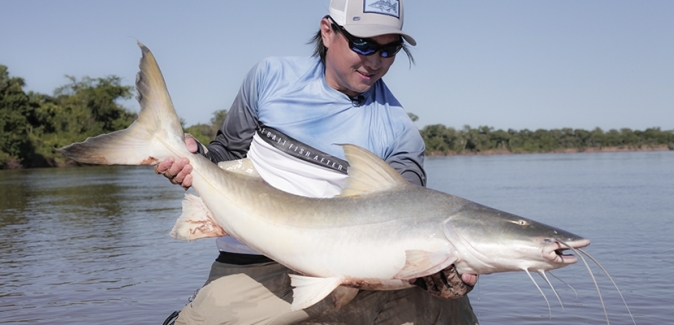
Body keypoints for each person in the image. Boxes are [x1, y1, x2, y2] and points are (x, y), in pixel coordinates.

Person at [158, 1, 479, 324]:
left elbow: (409, 213)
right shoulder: (270, 78)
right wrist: (194, 157)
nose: (375, 61)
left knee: (445, 308)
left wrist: (437, 271)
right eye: (363, 44)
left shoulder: (401, 133)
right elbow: (227, 154)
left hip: (352, 273)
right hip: (253, 264)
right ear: (327, 32)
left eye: (389, 49)